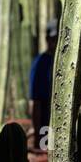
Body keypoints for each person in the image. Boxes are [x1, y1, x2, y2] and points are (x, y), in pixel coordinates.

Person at [30, 21, 58, 149]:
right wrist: (38, 136)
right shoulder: (41, 63)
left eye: (57, 38)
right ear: (47, 39)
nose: (56, 42)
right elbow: (36, 102)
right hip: (46, 123)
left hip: (63, 124)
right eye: (53, 38)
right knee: (46, 155)